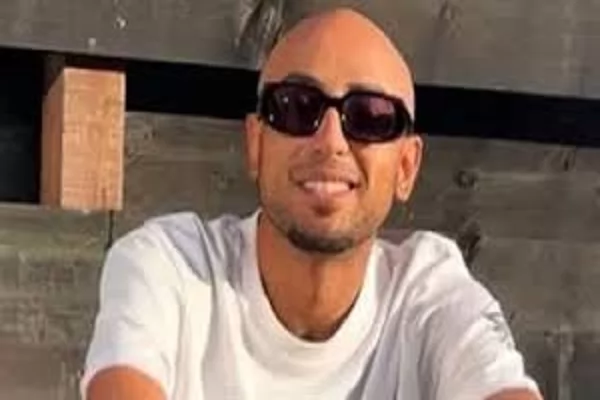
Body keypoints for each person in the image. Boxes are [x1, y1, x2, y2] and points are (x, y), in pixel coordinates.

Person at [81, 7, 542, 400]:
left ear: (406, 166)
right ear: (256, 144)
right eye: (297, 106)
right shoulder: (170, 266)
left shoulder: (430, 291)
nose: (330, 141)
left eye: (370, 117)